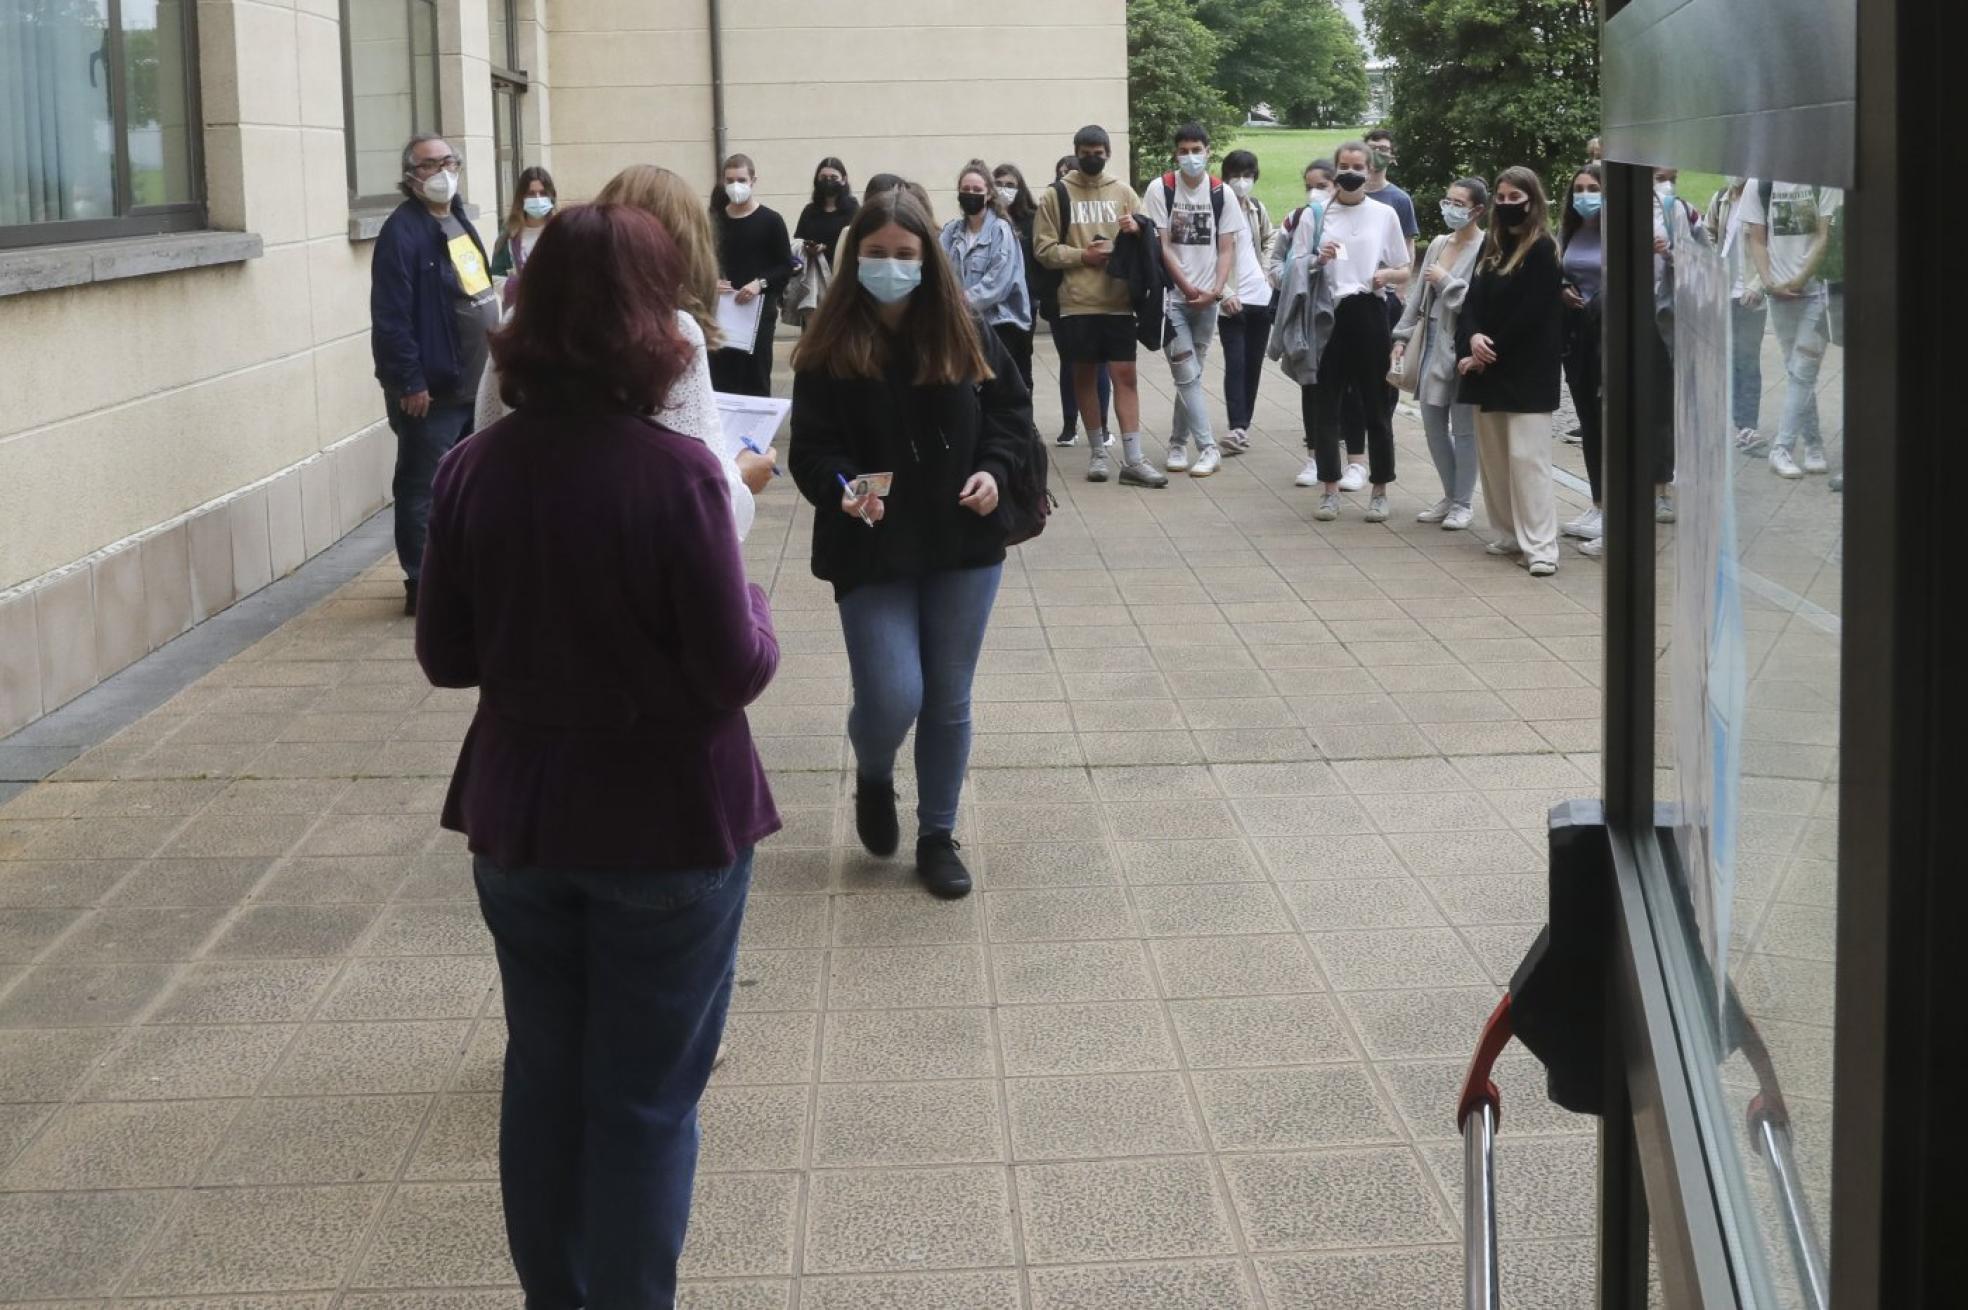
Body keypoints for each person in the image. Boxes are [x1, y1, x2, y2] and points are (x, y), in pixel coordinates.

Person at [415, 201, 782, 1310]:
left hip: (523, 816)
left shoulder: (474, 468)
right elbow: (732, 667)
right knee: (644, 1100)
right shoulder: (677, 475)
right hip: (670, 820)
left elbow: (444, 654)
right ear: (654, 319)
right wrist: (759, 606)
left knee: (545, 1077)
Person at [789, 192, 1032, 899]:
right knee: (894, 694)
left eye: (904, 254)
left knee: (948, 697)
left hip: (963, 539)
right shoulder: (829, 346)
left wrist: (994, 469)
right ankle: (873, 773)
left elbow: (1010, 414)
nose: (890, 266)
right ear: (853, 258)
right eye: (875, 254)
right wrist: (842, 487)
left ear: (927, 257)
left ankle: (937, 834)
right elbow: (813, 447)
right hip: (871, 544)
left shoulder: (966, 331)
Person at [476, 165, 777, 541]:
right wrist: (743, 475)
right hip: (629, 565)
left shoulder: (519, 323)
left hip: (529, 552)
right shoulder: (672, 333)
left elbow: (485, 440)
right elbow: (708, 500)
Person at [371, 134, 497, 617]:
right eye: (430, 165)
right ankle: (422, 584)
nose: (443, 171)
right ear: (410, 175)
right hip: (434, 389)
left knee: (469, 486)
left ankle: (462, 573)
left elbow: (475, 290)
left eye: (449, 161)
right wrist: (410, 380)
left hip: (476, 383)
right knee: (423, 487)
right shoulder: (401, 233)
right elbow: (391, 315)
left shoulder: (457, 218)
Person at [1280, 140, 1409, 521]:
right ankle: (1330, 487)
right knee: (1325, 403)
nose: (1351, 173)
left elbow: (1404, 266)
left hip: (1368, 309)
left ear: (1370, 172)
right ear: (1334, 170)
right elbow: (1294, 265)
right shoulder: (1315, 214)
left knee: (1376, 403)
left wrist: (1385, 275)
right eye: (1344, 166)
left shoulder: (1384, 214)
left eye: (1358, 166)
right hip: (1327, 312)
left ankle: (1381, 487)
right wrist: (1318, 260)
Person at [1035, 124, 1165, 486]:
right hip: (1076, 303)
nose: (1092, 157)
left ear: (1108, 152)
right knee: (1084, 376)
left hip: (1120, 301)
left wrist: (1136, 231)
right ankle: (1097, 453)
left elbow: (1149, 238)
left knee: (1126, 377)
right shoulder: (1055, 195)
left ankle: (1134, 458)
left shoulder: (1123, 191)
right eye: (1085, 151)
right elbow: (1043, 250)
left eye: (1098, 151)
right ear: (1075, 152)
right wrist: (1083, 255)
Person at [1456, 166, 1565, 577]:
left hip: (1527, 370)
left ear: (1532, 201)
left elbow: (1533, 313)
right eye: (1500, 198)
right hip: (1488, 366)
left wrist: (1487, 348)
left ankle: (1541, 546)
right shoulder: (1492, 246)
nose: (1505, 205)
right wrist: (1472, 338)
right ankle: (1507, 532)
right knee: (1495, 456)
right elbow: (1471, 302)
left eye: (1513, 198)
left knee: (1527, 457)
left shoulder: (1543, 250)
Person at [1139, 121, 1243, 478]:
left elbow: (1226, 246)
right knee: (1186, 374)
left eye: (1196, 150)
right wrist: (1186, 287)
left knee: (1192, 376)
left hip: (1208, 299)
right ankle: (1208, 447)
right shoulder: (1161, 189)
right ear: (1175, 153)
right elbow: (1161, 245)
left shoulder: (1221, 193)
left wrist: (1216, 290)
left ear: (1207, 151)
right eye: (1183, 150)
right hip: (1173, 299)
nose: (1190, 157)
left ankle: (1177, 442)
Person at [1392, 177, 1488, 532]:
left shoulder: (1485, 247)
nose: (1451, 208)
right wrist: (1401, 336)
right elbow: (1417, 295)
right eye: (1448, 201)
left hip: (1461, 344)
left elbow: (1479, 305)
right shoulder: (1438, 243)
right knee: (1433, 426)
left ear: (1477, 210)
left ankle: (1463, 503)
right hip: (1430, 339)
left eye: (1459, 203)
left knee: (1464, 429)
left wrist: (1447, 280)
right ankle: (1450, 495)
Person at [1335, 125, 1421, 491]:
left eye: (1383, 150)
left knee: (1379, 386)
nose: (1354, 171)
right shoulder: (1326, 208)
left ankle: (1378, 465)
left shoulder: (1395, 202)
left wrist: (1398, 289)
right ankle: (1351, 458)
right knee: (1344, 389)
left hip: (1381, 304)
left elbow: (1406, 254)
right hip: (1339, 308)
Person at [1742, 179, 1839, 479]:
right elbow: (1757, 240)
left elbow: (1826, 237)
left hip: (1816, 291)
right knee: (1797, 371)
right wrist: (1770, 283)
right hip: (1779, 294)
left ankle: (1781, 448)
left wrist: (1798, 281)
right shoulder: (1760, 184)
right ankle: (1814, 444)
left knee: (1804, 369)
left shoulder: (1824, 181)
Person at [940, 160, 1035, 388]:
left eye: (976, 190)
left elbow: (998, 283)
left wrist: (961, 301)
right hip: (963, 323)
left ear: (988, 194)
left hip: (1000, 325)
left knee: (999, 392)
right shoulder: (951, 231)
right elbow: (939, 268)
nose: (970, 194)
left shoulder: (1001, 230)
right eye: (966, 190)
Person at [709, 154, 794, 396]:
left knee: (755, 380)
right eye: (730, 180)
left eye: (742, 179)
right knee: (720, 379)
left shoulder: (771, 221)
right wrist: (710, 281)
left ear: (753, 180)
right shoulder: (714, 220)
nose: (736, 185)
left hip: (758, 314)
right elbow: (702, 263)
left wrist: (760, 284)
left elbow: (785, 266)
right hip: (721, 313)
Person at [1043, 153, 1110, 446]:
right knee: (1069, 363)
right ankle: (1070, 424)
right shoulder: (1051, 203)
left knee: (1101, 366)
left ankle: (1103, 426)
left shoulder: (1102, 200)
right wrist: (1082, 255)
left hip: (1101, 298)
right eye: (1061, 172)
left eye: (1069, 171)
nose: (1065, 177)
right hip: (1061, 298)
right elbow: (1044, 251)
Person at [1557, 164, 1607, 552]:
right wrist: (1562, 289)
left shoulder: (1619, 229)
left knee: (1609, 423)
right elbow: (1560, 270)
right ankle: (1598, 502)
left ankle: (1617, 511)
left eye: (1593, 188)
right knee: (1589, 421)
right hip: (1577, 337)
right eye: (1579, 189)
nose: (1585, 195)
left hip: (1608, 337)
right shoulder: (1573, 230)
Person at [1217, 148, 1274, 456]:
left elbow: (1271, 238)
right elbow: (1209, 258)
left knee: (1253, 365)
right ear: (1225, 177)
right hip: (1231, 302)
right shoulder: (1216, 210)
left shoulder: (1256, 208)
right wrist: (1224, 293)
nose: (1242, 182)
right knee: (1235, 364)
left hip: (1260, 299)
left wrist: (1267, 272)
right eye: (1236, 175)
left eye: (1248, 175)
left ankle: (1243, 427)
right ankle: (1236, 425)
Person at [1707, 176, 1768, 455]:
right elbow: (1708, 233)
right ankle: (1736, 422)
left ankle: (1748, 425)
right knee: (1728, 358)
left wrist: (1758, 286)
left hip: (1750, 295)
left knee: (1747, 359)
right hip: (1724, 292)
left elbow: (1768, 245)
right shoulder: (1721, 199)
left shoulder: (1760, 198)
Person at [993, 161, 1045, 394]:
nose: (1004, 189)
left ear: (1020, 188)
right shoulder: (987, 219)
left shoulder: (1032, 219)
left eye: (1010, 185)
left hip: (1024, 300)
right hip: (992, 300)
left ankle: (1025, 419)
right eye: (999, 184)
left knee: (1022, 357)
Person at [489, 165, 555, 309]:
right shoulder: (508, 235)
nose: (538, 198)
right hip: (519, 314)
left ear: (551, 196)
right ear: (522, 197)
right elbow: (495, 278)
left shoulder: (562, 230)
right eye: (531, 194)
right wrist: (526, 286)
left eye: (543, 193)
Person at [794, 157, 858, 270]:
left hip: (844, 270)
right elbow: (798, 242)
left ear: (843, 179)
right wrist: (809, 248)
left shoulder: (853, 209)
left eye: (834, 178)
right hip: (815, 272)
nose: (828, 181)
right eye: (823, 178)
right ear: (817, 180)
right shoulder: (809, 211)